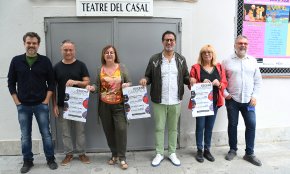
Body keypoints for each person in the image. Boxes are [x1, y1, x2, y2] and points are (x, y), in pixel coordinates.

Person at [140, 31, 195, 167]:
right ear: (162, 42)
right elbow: (148, 76)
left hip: (176, 100)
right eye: (166, 40)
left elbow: (186, 77)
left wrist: (191, 80)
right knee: (159, 128)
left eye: (171, 40)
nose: (169, 42)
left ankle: (172, 153)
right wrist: (144, 80)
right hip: (159, 100)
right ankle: (159, 153)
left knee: (173, 128)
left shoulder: (181, 59)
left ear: (175, 42)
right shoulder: (155, 59)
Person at [7, 32, 58, 173]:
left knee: (46, 134)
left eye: (34, 43)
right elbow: (11, 83)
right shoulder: (16, 61)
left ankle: (50, 159)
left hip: (41, 105)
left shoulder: (45, 61)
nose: (31, 45)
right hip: (23, 106)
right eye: (29, 42)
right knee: (25, 135)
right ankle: (27, 161)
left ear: (38, 44)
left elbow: (52, 83)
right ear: (24, 43)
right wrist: (18, 103)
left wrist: (46, 101)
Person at [86, 45, 131, 170]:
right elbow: (96, 84)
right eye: (107, 52)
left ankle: (122, 158)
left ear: (115, 55)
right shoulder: (99, 69)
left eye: (112, 52)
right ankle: (114, 154)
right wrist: (92, 88)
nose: (109, 54)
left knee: (121, 130)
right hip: (104, 106)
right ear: (103, 55)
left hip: (119, 105)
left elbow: (129, 82)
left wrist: (127, 84)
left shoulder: (122, 67)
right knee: (109, 132)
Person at [222, 35, 262, 166]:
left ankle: (249, 153)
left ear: (247, 45)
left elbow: (258, 80)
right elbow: (222, 79)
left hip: (249, 100)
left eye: (245, 43)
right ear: (235, 45)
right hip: (232, 99)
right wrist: (225, 93)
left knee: (251, 125)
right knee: (232, 125)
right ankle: (232, 150)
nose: (242, 45)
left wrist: (255, 96)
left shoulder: (253, 61)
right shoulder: (227, 61)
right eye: (240, 43)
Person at [52, 40, 90, 166]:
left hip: (79, 105)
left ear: (74, 50)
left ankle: (81, 153)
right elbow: (53, 88)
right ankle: (68, 154)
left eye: (70, 50)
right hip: (63, 105)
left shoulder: (81, 65)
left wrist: (75, 82)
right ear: (61, 50)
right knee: (65, 131)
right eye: (65, 50)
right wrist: (55, 105)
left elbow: (87, 82)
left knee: (80, 131)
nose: (68, 52)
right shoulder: (56, 67)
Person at [188, 45, 227, 163]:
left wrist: (219, 84)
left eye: (209, 52)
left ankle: (207, 150)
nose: (207, 54)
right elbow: (190, 85)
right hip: (200, 103)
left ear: (213, 54)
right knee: (200, 126)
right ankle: (199, 150)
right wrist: (198, 82)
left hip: (214, 102)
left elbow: (224, 83)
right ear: (201, 55)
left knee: (209, 127)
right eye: (204, 52)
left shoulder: (219, 67)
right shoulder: (195, 68)